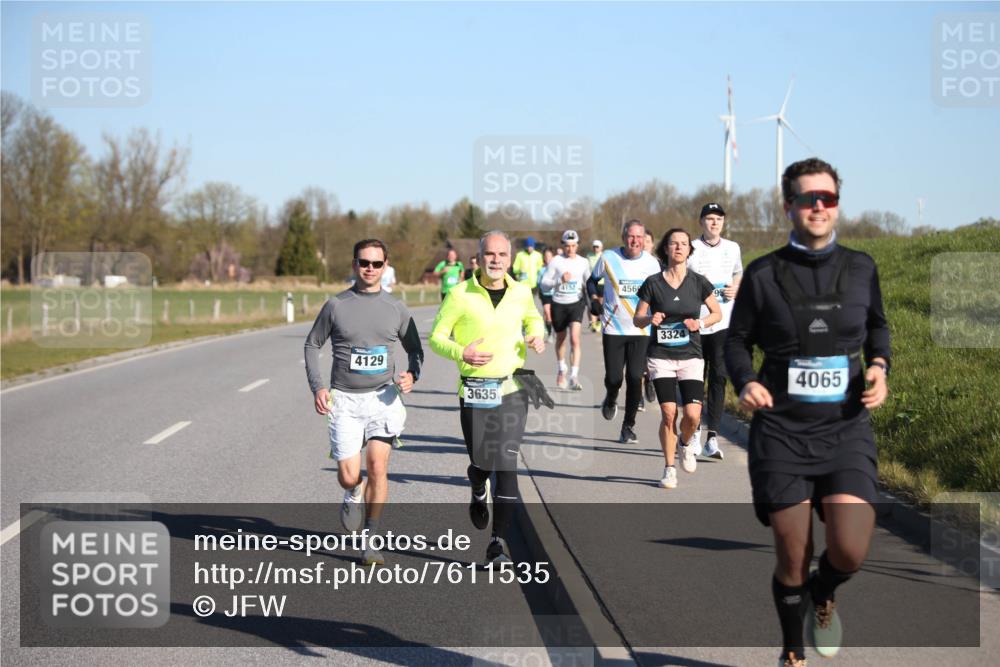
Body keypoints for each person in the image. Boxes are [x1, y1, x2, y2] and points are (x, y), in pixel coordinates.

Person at [724, 158, 890, 667]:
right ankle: (793, 652)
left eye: (828, 198)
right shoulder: (764, 274)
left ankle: (825, 589)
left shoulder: (861, 267)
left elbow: (878, 327)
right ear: (788, 206)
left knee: (849, 551)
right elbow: (735, 340)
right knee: (791, 555)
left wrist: (879, 366)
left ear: (837, 204)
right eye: (807, 198)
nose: (818, 206)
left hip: (844, 430)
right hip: (782, 434)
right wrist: (747, 381)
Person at [430, 230, 547, 565]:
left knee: (507, 461)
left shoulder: (522, 292)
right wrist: (460, 351)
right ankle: (477, 483)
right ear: (479, 258)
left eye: (502, 255)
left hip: (513, 386)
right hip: (475, 388)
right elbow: (437, 337)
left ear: (510, 259)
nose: (496, 261)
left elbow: (533, 318)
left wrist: (536, 335)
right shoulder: (459, 293)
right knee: (482, 460)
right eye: (490, 255)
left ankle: (498, 544)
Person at [304, 239, 424, 566]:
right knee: (348, 474)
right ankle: (352, 491)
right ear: (354, 264)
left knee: (378, 467)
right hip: (344, 400)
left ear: (385, 267)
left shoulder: (397, 308)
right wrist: (318, 387)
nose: (369, 269)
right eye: (363, 262)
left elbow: (415, 350)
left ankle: (371, 540)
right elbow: (312, 345)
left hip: (383, 398)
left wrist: (412, 374)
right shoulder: (336, 305)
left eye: (376, 263)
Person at [633, 229, 721, 488]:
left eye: (684, 244)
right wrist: (650, 319)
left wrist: (700, 323)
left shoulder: (698, 282)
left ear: (689, 250)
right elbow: (637, 318)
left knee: (693, 415)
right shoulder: (653, 282)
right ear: (666, 249)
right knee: (669, 412)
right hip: (661, 356)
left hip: (691, 356)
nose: (679, 248)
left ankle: (685, 442)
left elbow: (717, 313)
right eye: (674, 243)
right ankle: (669, 468)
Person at [587, 220, 661, 444]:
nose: (635, 241)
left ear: (644, 239)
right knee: (614, 378)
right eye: (631, 236)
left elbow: (659, 292)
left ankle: (628, 426)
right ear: (623, 237)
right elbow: (592, 281)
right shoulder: (609, 258)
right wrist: (594, 300)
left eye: (639, 237)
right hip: (613, 327)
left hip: (640, 328)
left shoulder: (652, 263)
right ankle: (611, 397)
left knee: (635, 377)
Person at [688, 203, 743, 459]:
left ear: (723, 223)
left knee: (719, 376)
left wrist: (736, 287)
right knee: (697, 377)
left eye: (718, 219)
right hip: (697, 323)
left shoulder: (732, 248)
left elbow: (738, 272)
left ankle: (713, 437)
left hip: (724, 322)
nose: (714, 223)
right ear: (701, 222)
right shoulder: (692, 247)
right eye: (709, 219)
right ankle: (696, 432)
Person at [539, 230, 592, 390]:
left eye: (574, 246)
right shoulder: (556, 261)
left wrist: (594, 299)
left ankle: (574, 376)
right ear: (563, 246)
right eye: (567, 246)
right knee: (561, 339)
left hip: (576, 303)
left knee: (575, 339)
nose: (570, 249)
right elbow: (544, 284)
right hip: (558, 304)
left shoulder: (583, 262)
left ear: (577, 245)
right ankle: (562, 368)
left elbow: (589, 282)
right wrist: (559, 280)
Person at [538, 247, 556, 342]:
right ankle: (549, 334)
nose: (548, 258)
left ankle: (553, 329)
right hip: (545, 294)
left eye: (549, 256)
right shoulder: (541, 270)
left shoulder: (556, 269)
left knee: (554, 315)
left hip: (555, 294)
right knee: (547, 313)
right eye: (546, 256)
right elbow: (539, 283)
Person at [586, 239, 604, 332]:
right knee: (593, 303)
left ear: (601, 247)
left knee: (600, 303)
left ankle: (599, 322)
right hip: (592, 282)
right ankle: (593, 324)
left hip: (602, 283)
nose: (595, 248)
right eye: (594, 246)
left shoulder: (604, 256)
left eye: (597, 247)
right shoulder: (589, 256)